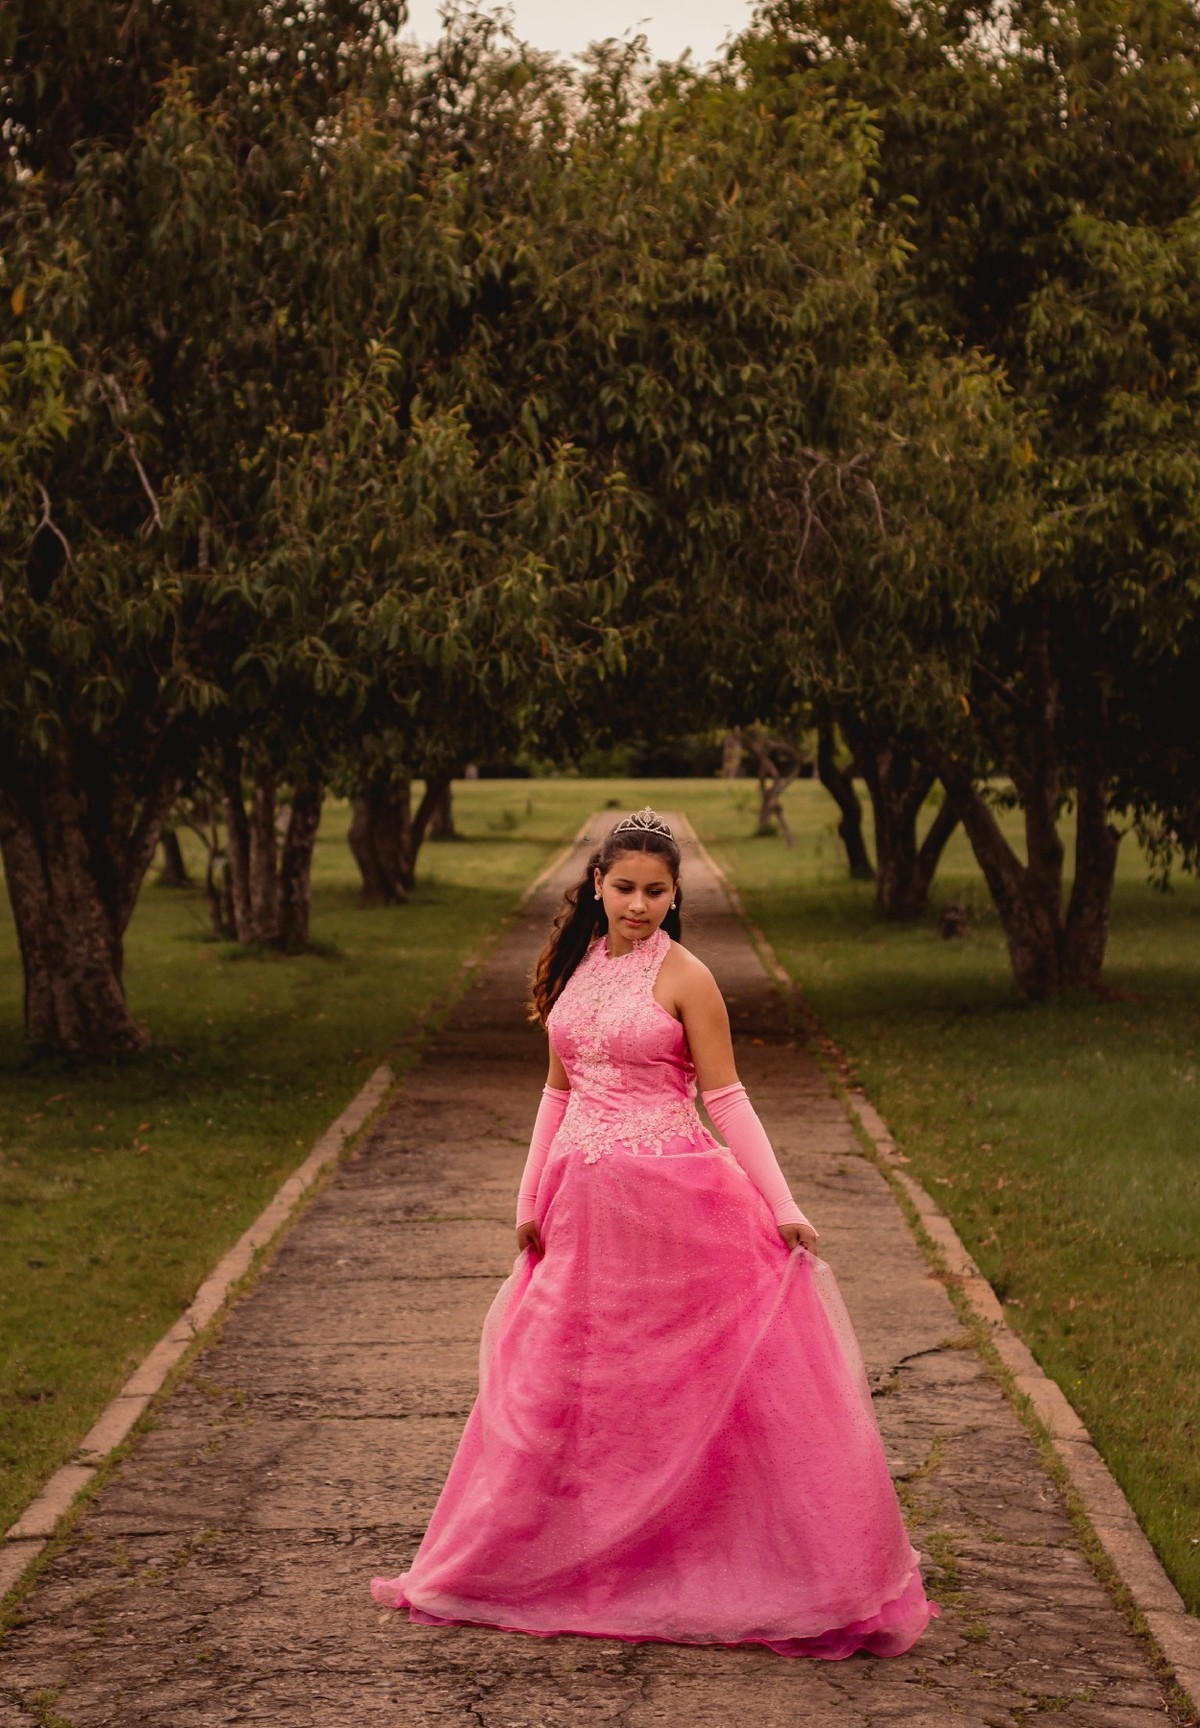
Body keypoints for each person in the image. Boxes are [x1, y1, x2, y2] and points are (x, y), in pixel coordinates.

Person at [371, 807, 938, 1659]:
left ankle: (722, 1557)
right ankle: (563, 1558)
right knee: (569, 1387)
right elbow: (557, 1094)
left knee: (683, 1389)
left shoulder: (688, 977)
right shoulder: (575, 966)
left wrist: (782, 1203)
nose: (639, 905)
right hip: (582, 1206)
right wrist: (527, 1197)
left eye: (657, 892)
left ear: (677, 896)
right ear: (596, 885)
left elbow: (729, 1098)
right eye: (625, 888)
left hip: (677, 1203)